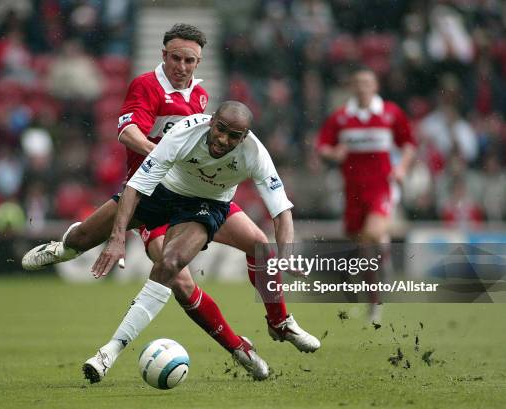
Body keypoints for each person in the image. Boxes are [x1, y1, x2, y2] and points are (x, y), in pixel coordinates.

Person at [22, 24, 320, 376]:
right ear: (163, 55)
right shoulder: (147, 86)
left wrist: (180, 158)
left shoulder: (202, 99)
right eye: (175, 58)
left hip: (201, 195)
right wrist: (164, 153)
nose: (182, 66)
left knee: (256, 246)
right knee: (89, 243)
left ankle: (272, 327)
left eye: (189, 60)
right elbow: (127, 131)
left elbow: (278, 205)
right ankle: (63, 248)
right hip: (151, 190)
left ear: (199, 62)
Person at [84, 101, 298, 382]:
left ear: (244, 137)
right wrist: (117, 236)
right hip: (160, 195)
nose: (223, 140)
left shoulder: (254, 152)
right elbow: (136, 184)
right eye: (221, 130)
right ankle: (239, 346)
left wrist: (287, 255)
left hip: (202, 205)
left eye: (234, 135)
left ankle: (110, 351)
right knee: (82, 239)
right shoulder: (182, 131)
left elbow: (281, 211)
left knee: (176, 265)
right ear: (211, 122)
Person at [316, 67, 416, 322]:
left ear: (375, 87)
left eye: (367, 83)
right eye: (358, 83)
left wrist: (402, 167)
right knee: (362, 244)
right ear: (352, 87)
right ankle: (375, 301)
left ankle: (384, 256)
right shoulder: (341, 118)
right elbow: (322, 146)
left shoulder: (390, 113)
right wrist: (333, 154)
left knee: (372, 235)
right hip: (352, 190)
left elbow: (408, 143)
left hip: (382, 185)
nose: (363, 88)